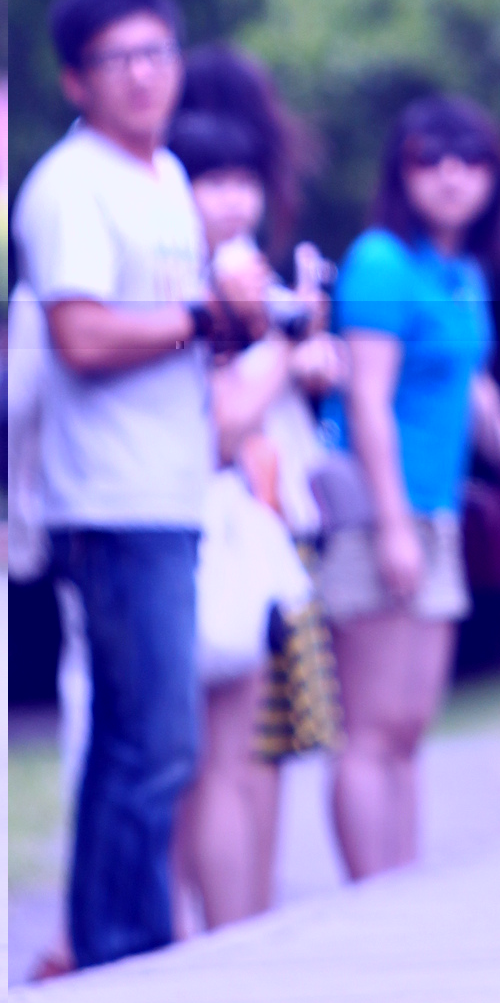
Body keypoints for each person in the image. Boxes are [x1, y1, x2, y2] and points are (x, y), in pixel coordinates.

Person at [10, 0, 267, 968]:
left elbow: (175, 329)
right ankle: (125, 950)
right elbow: (78, 336)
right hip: (111, 496)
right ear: (75, 80)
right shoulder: (69, 187)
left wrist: (235, 325)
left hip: (168, 485)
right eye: (117, 60)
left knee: (137, 737)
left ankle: (113, 947)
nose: (143, 75)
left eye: (156, 52)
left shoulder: (161, 177)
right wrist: (204, 317)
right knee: (155, 740)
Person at [321, 94, 500, 880]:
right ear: (400, 175)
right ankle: (370, 898)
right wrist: (393, 524)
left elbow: (476, 389)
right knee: (370, 727)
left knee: (407, 726)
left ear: (496, 177)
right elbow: (366, 399)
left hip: (434, 512)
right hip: (376, 514)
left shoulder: (461, 270)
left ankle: (403, 889)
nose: (451, 176)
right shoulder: (380, 261)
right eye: (430, 160)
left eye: (471, 161)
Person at [165, 45, 346, 933]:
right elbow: (228, 416)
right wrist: (290, 339)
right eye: (217, 178)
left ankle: (241, 927)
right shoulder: (190, 274)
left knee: (250, 751)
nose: (238, 197)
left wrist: (298, 341)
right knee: (226, 754)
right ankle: (225, 932)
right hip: (229, 525)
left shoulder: (230, 265)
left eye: (245, 178)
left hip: (265, 522)